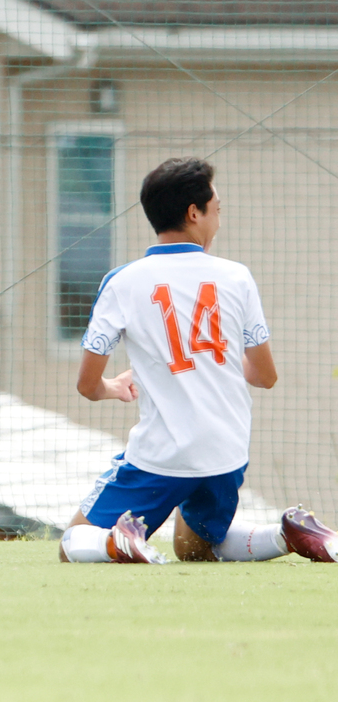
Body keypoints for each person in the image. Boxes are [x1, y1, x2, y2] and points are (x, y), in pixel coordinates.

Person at [59, 157, 338, 565]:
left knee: (75, 539)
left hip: (163, 456)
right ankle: (285, 533)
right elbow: (265, 376)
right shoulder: (237, 277)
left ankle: (118, 541)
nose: (219, 220)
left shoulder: (122, 282)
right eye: (217, 210)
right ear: (194, 213)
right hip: (226, 453)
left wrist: (111, 388)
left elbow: (87, 385)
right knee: (195, 546)